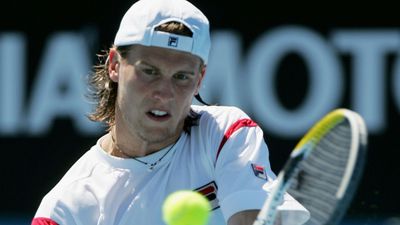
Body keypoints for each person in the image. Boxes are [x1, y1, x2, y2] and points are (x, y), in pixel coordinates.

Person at [31, 0, 310, 224]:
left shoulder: (225, 135)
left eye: (181, 77)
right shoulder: (65, 209)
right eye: (149, 72)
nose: (164, 93)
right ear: (115, 65)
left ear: (199, 79)